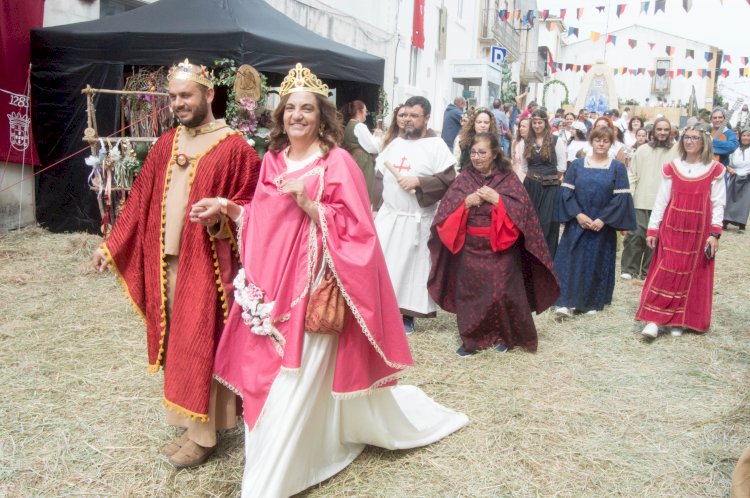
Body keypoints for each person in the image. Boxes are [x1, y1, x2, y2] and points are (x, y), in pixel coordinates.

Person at [210, 63, 468, 498]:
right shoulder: (271, 160)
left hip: (315, 293)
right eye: (290, 108)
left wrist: (313, 206)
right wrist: (231, 209)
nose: (297, 115)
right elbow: (262, 220)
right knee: (275, 380)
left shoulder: (338, 161)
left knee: (296, 381)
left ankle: (269, 484)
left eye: (306, 108)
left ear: (321, 116)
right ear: (280, 115)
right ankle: (300, 454)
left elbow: (360, 229)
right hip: (272, 291)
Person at [90, 59, 260, 468]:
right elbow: (137, 203)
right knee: (176, 347)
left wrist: (222, 216)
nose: (178, 104)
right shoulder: (167, 143)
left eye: (186, 95)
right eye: (173, 97)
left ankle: (205, 435)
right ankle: (190, 424)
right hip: (164, 263)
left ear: (208, 94)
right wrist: (110, 246)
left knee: (202, 344)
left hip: (208, 266)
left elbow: (252, 208)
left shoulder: (235, 147)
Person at [427, 132, 559, 356]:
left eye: (482, 153)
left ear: (495, 153)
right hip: (470, 247)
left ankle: (504, 337)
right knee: (470, 295)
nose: (477, 157)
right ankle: (471, 340)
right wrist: (466, 203)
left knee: (501, 293)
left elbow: (523, 211)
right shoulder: (464, 179)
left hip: (501, 248)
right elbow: (445, 214)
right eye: (474, 153)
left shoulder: (507, 179)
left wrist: (497, 199)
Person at [375, 95, 457, 333]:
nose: (408, 120)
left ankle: (407, 315)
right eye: (406, 115)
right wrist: (375, 206)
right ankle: (383, 311)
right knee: (386, 265)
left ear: (427, 118)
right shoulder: (396, 143)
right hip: (390, 216)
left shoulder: (436, 146)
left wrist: (420, 182)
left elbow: (449, 180)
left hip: (416, 220)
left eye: (414, 116)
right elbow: (380, 176)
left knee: (412, 269)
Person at [637, 124, 726, 338]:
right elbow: (662, 198)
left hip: (698, 230)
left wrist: (714, 234)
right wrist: (653, 228)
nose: (690, 141)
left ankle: (679, 318)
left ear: (704, 141)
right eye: (686, 137)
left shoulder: (714, 170)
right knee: (666, 270)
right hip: (673, 226)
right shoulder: (673, 166)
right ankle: (654, 320)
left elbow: (718, 202)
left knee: (690, 274)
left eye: (695, 137)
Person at [553, 126, 635, 318]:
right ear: (592, 141)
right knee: (571, 261)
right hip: (578, 223)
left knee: (595, 262)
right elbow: (566, 193)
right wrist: (578, 215)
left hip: (601, 226)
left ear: (610, 143)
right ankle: (565, 302)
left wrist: (603, 219)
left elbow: (620, 198)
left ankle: (590, 302)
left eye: (605, 141)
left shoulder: (617, 168)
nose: (601, 144)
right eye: (598, 140)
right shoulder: (578, 165)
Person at [621, 117, 677, 281]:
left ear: (670, 132)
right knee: (636, 235)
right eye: (659, 129)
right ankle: (629, 269)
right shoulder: (642, 150)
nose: (662, 133)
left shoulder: (677, 152)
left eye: (666, 130)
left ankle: (648, 270)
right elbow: (632, 174)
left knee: (657, 237)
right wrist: (630, 195)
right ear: (653, 131)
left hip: (665, 202)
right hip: (641, 200)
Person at [521, 109, 567, 257]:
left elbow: (561, 167)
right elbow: (524, 167)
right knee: (530, 222)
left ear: (545, 123)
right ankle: (529, 256)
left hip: (550, 188)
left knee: (548, 223)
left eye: (540, 122)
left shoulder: (555, 140)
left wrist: (549, 179)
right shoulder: (526, 141)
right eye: (534, 122)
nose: (537, 125)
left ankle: (548, 257)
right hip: (531, 187)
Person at [341, 99, 380, 204]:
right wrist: (377, 137)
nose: (366, 115)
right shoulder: (359, 126)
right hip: (362, 160)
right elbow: (373, 148)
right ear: (359, 111)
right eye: (365, 111)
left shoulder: (349, 124)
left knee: (355, 188)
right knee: (364, 189)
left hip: (354, 157)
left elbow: (363, 143)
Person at [723, 127, 750, 233]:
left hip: (747, 177)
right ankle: (725, 221)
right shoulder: (734, 149)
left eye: (748, 135)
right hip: (734, 175)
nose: (746, 137)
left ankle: (741, 224)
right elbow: (727, 162)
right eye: (744, 135)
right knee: (729, 199)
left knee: (744, 201)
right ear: (740, 137)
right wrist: (729, 168)